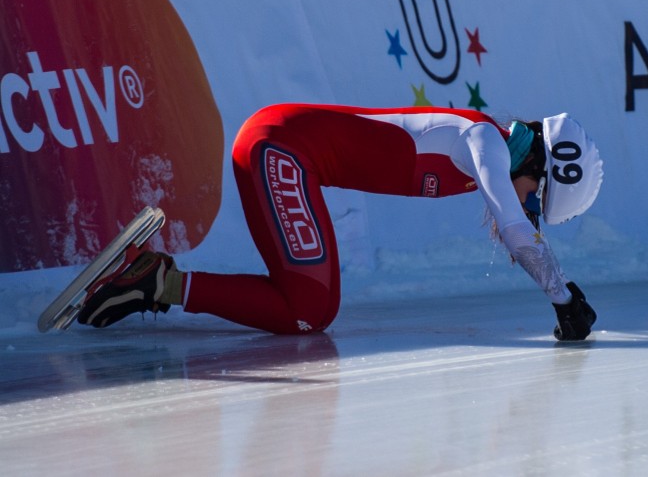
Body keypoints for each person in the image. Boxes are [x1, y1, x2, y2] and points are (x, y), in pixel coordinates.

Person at [77, 104, 604, 340]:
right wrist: (563, 300)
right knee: (311, 309)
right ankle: (154, 282)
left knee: (307, 303)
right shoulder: (484, 140)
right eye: (538, 200)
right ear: (535, 161)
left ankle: (158, 282)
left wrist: (561, 294)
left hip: (286, 155)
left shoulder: (488, 148)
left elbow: (517, 225)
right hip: (278, 149)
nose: (530, 211)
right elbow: (515, 230)